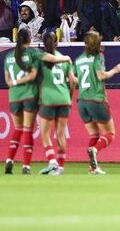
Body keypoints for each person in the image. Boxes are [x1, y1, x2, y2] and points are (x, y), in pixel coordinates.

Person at [3, 28, 72, 175]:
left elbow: (7, 80)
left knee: (17, 129)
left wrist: (14, 83)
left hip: (14, 97)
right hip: (30, 96)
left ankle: (9, 159)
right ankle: (27, 166)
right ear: (30, 39)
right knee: (28, 130)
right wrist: (66, 58)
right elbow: (39, 70)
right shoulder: (34, 53)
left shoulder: (9, 56)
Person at [74, 31, 120, 174]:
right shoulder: (98, 57)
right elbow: (101, 75)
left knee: (94, 135)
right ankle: (95, 150)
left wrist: (85, 83)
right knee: (110, 133)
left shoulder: (79, 59)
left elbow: (71, 78)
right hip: (96, 100)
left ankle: (92, 167)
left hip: (81, 102)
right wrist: (115, 70)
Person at [38, 32, 76, 176]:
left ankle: (52, 160)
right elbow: (72, 81)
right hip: (64, 98)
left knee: (45, 133)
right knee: (60, 134)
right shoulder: (65, 60)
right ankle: (60, 167)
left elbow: (38, 81)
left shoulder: (40, 58)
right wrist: (70, 98)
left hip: (48, 99)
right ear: (57, 43)